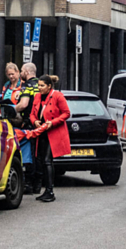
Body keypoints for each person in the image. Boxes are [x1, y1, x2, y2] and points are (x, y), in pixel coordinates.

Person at [27, 74, 72, 202]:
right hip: (41, 132)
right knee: (41, 161)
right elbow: (32, 114)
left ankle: (50, 191)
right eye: (38, 85)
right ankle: (46, 190)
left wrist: (52, 122)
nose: (39, 88)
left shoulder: (58, 96)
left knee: (47, 161)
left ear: (49, 86)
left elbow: (66, 113)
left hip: (53, 133)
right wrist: (35, 121)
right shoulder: (37, 97)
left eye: (42, 86)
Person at [15, 63, 40, 192]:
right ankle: (38, 185)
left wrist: (12, 110)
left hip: (30, 123)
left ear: (26, 71)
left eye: (21, 71)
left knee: (28, 154)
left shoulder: (27, 86)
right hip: (41, 123)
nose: (21, 73)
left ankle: (28, 184)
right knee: (39, 155)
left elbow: (23, 104)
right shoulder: (41, 85)